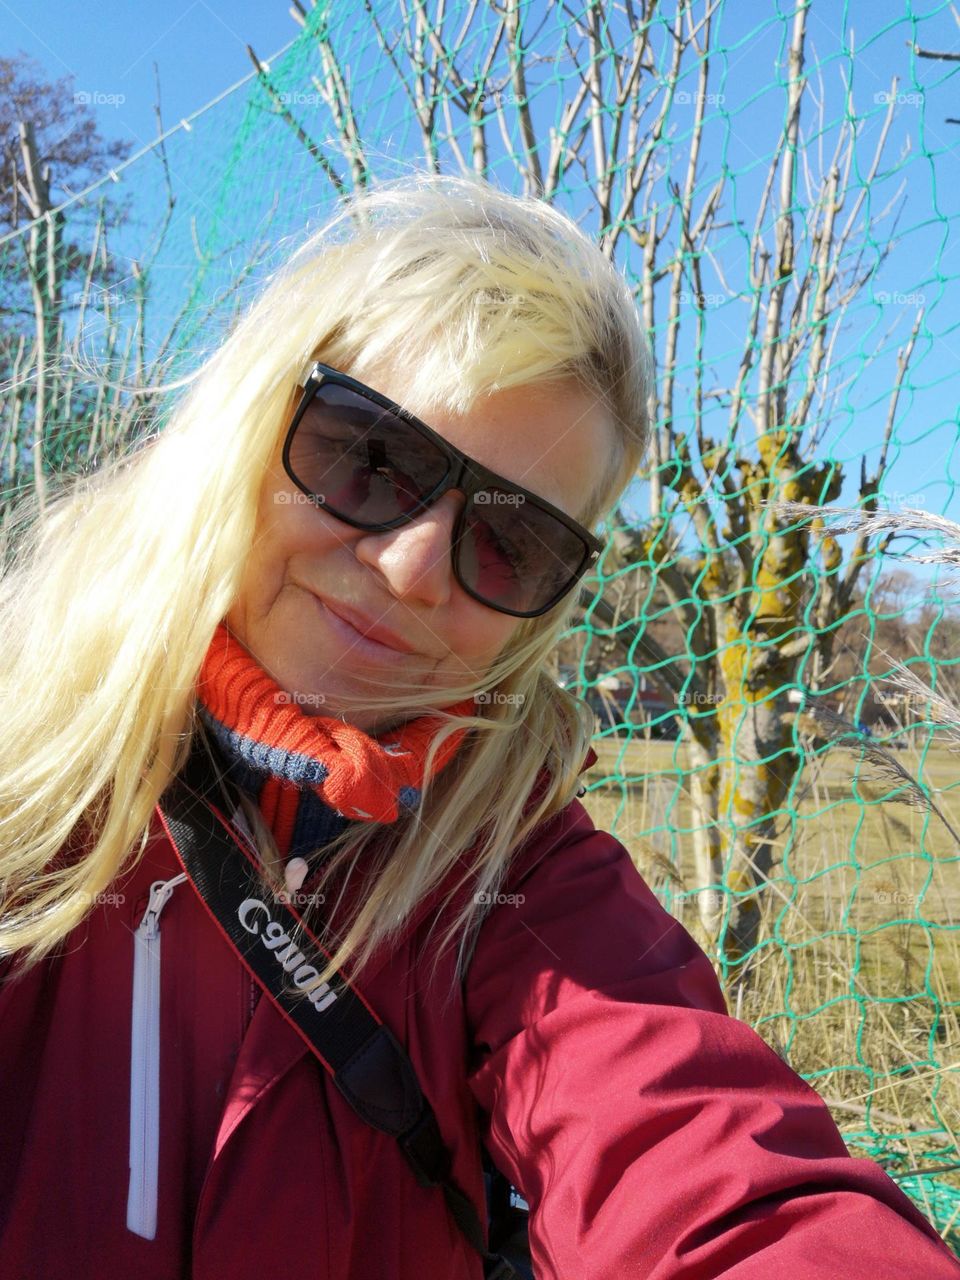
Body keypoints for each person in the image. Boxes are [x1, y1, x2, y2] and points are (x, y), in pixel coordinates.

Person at [0, 174, 957, 1280]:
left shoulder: (513, 869)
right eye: (369, 459)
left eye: (512, 544)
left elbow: (707, 1167)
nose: (412, 570)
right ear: (248, 425)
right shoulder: (30, 754)